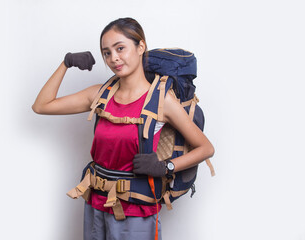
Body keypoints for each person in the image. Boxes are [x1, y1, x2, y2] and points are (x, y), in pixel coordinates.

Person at [32, 17, 214, 240]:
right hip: (96, 202)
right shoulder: (99, 94)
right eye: (106, 52)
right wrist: (66, 63)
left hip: (137, 208)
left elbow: (206, 148)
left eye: (120, 48)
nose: (113, 58)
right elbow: (41, 106)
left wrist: (165, 166)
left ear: (140, 47)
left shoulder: (161, 100)